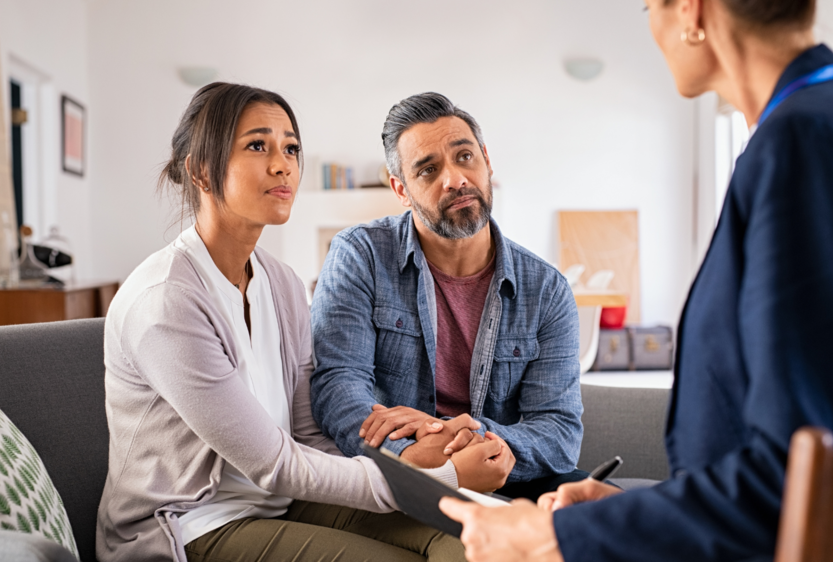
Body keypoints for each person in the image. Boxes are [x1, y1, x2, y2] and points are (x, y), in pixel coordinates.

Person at [439, 0, 833, 560]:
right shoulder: (804, 126)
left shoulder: (797, 143)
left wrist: (553, 536)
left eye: (649, 6)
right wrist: (625, 513)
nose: (650, 25)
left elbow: (798, 478)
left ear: (692, 10)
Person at [96, 82, 512, 562]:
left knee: (470, 540)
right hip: (193, 524)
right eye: (258, 145)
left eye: (291, 148)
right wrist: (434, 477)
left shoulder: (284, 284)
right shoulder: (167, 301)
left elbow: (307, 435)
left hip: (285, 503)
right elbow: (273, 463)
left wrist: (415, 458)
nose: (283, 164)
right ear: (201, 170)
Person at [310, 92, 586, 501]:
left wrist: (473, 438)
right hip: (403, 473)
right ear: (401, 189)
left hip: (504, 469)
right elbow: (339, 385)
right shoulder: (361, 255)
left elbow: (558, 429)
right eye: (427, 170)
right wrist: (415, 457)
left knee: (614, 513)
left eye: (464, 157)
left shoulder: (546, 290)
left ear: (486, 161)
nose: (455, 179)